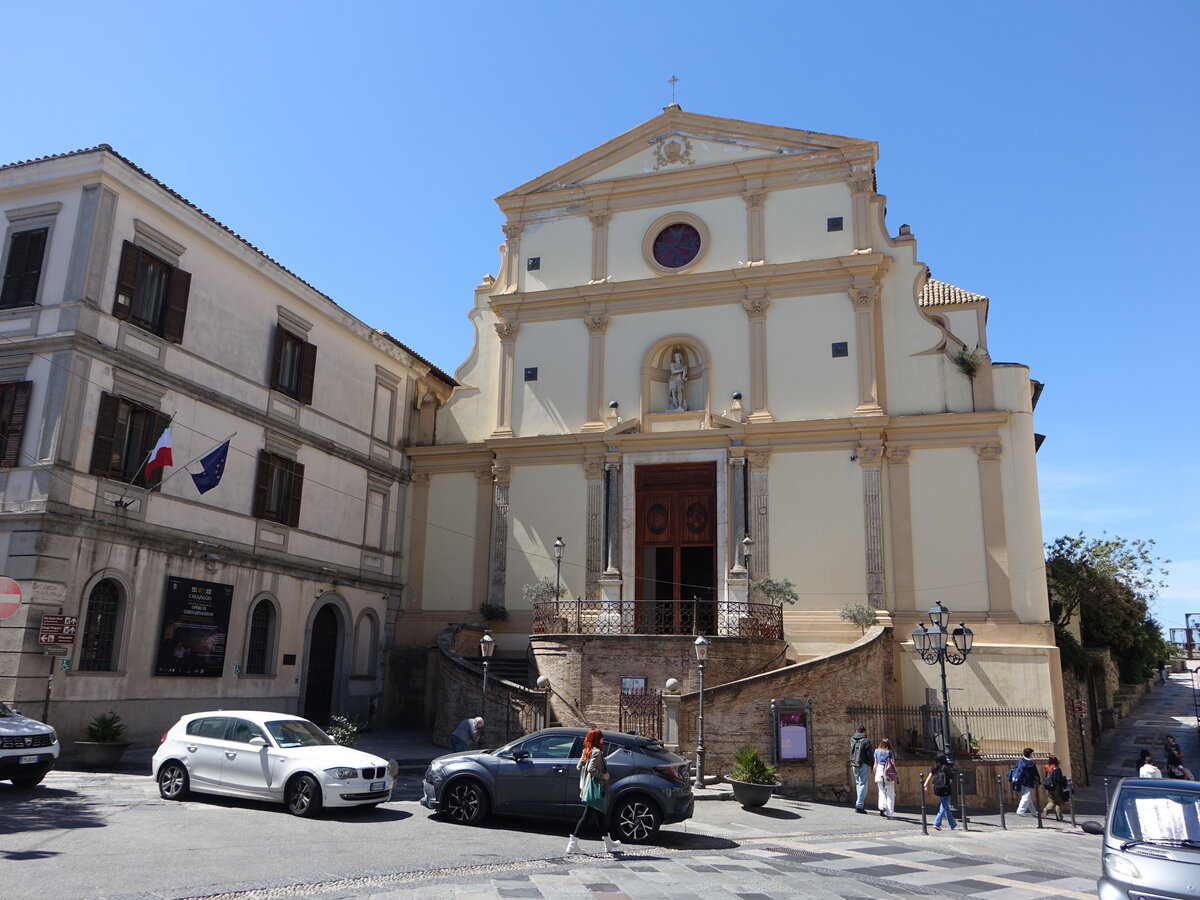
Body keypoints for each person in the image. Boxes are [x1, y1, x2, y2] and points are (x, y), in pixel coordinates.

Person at [565, 728, 622, 855]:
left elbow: (579, 766)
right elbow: (591, 769)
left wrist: (586, 764)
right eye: (601, 737)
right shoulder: (596, 752)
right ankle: (572, 844)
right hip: (595, 789)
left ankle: (608, 843)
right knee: (586, 816)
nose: (603, 739)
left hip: (588, 788)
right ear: (597, 739)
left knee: (600, 816)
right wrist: (603, 775)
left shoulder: (586, 751)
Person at [923, 755, 956, 831]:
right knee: (944, 806)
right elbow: (950, 780)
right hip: (946, 789)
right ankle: (936, 823)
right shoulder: (946, 768)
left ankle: (952, 824)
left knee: (945, 806)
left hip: (938, 789)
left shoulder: (935, 767)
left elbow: (929, 776)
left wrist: (925, 785)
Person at [872, 737, 898, 819]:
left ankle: (882, 806)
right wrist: (897, 774)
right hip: (888, 773)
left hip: (879, 772)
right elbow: (892, 764)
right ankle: (890, 813)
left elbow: (875, 764)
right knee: (890, 793)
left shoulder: (876, 751)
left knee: (881, 791)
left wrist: (873, 771)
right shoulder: (890, 752)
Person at [849, 724, 872, 813]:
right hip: (864, 764)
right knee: (863, 784)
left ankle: (858, 803)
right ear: (863, 731)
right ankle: (859, 805)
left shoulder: (852, 739)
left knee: (858, 783)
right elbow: (869, 754)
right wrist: (872, 764)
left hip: (854, 764)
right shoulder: (866, 740)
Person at [1041, 755, 1069, 821]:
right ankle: (1059, 817)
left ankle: (1046, 810)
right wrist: (1064, 779)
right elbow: (1058, 780)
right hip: (1056, 788)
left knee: (1051, 800)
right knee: (1059, 802)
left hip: (1048, 787)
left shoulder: (1047, 768)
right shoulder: (1057, 769)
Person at [1014, 747, 1040, 816]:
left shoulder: (1020, 761)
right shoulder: (1031, 763)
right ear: (1030, 754)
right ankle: (1020, 811)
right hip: (1028, 782)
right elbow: (1035, 773)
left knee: (1027, 797)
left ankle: (1033, 812)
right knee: (1026, 796)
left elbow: (1015, 768)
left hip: (1020, 780)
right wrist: (1038, 781)